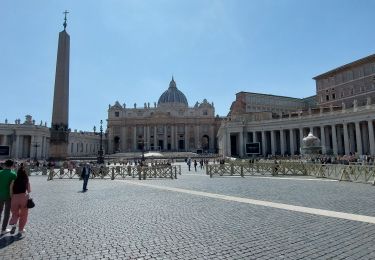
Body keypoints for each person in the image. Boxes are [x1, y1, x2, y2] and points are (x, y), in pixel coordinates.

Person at [9, 166, 31, 235]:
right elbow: (29, 190)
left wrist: (12, 196)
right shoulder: (26, 180)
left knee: (14, 213)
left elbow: (11, 189)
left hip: (15, 197)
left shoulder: (14, 180)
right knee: (24, 214)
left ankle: (14, 224)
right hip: (23, 197)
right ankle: (21, 229)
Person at [0, 160, 17, 235]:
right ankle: (3, 229)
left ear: (5, 165)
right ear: (12, 165)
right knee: (6, 213)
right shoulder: (13, 174)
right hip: (8, 196)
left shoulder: (0, 172)